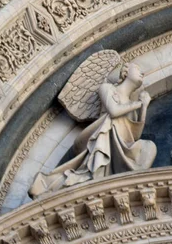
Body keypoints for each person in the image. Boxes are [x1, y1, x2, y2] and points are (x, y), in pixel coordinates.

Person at [29, 62, 156, 197]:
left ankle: (132, 179)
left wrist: (143, 108)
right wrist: (138, 103)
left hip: (121, 147)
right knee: (110, 121)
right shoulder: (108, 88)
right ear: (125, 72)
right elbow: (113, 111)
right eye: (137, 68)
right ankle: (87, 175)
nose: (141, 73)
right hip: (99, 140)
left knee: (149, 146)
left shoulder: (133, 108)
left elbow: (133, 135)